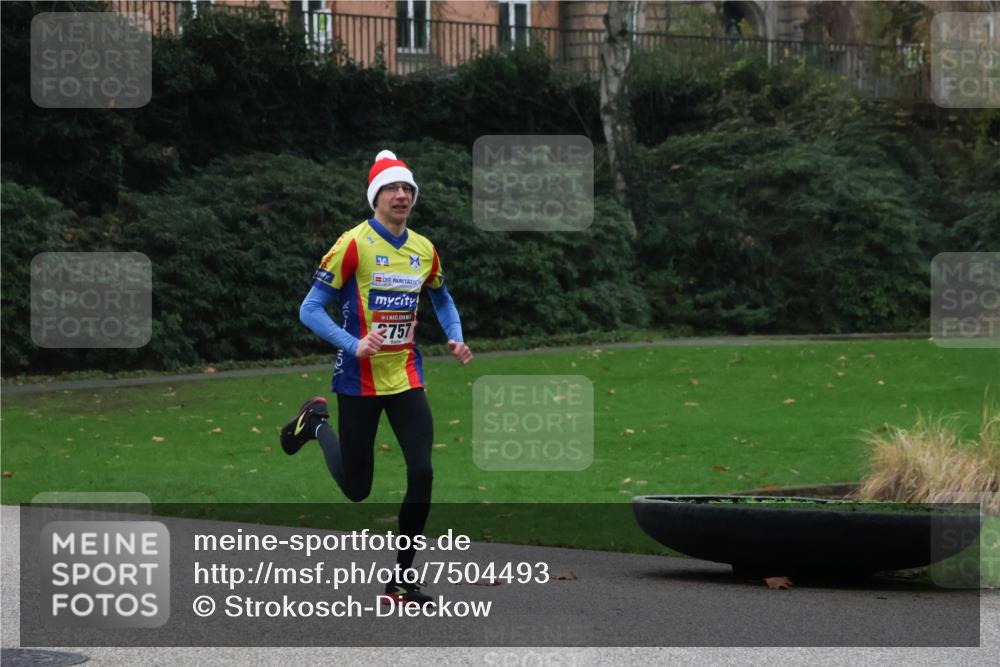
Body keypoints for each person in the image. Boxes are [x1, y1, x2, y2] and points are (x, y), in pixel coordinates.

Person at [280, 150, 473, 606]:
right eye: (392, 188)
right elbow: (309, 308)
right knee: (357, 489)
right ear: (376, 198)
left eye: (408, 189)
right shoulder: (353, 244)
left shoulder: (423, 248)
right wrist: (353, 344)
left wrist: (455, 337)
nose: (402, 195)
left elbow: (442, 299)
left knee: (422, 471)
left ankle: (402, 581)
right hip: (358, 379)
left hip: (405, 375)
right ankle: (317, 424)